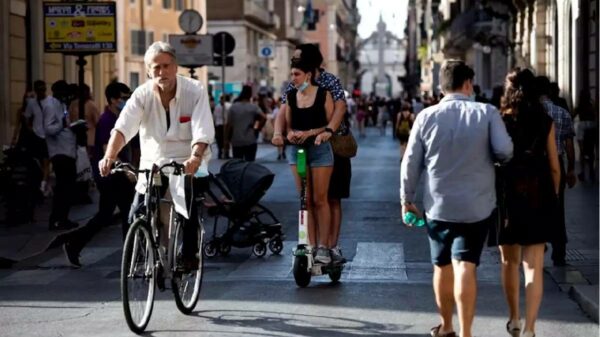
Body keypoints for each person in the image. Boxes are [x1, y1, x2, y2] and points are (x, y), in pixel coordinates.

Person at [400, 60, 513, 337]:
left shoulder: (426, 116)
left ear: (441, 86)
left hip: (438, 206)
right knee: (466, 265)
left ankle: (447, 325)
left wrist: (407, 198)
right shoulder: (487, 112)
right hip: (477, 204)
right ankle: (466, 332)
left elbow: (410, 162)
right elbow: (505, 151)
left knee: (441, 266)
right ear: (467, 84)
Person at [94, 41, 214, 269]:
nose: (162, 72)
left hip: (187, 160)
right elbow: (123, 127)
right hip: (154, 162)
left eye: (166, 66)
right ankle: (149, 252)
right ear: (148, 70)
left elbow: (202, 129)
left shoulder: (195, 90)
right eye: (156, 67)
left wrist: (196, 157)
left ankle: (189, 253)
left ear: (175, 66)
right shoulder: (141, 95)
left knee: (187, 205)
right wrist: (109, 156)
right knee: (136, 213)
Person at [497, 68, 561, 337]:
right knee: (534, 265)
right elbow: (554, 166)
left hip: (507, 194)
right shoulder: (545, 120)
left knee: (509, 262)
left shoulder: (500, 120)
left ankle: (514, 318)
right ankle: (531, 328)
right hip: (538, 194)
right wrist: (553, 197)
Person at [273, 43, 350, 264]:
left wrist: (328, 131)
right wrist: (281, 132)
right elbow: (283, 111)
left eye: (298, 59)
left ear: (310, 65)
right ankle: (314, 245)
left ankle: (331, 247)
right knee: (308, 199)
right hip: (303, 147)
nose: (294, 63)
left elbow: (340, 109)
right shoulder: (293, 86)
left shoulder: (329, 81)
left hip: (334, 144)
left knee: (330, 198)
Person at [63, 82, 136, 267]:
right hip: (110, 175)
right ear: (112, 99)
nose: (125, 101)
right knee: (128, 210)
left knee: (106, 214)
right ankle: (132, 254)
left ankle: (74, 244)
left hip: (116, 174)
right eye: (122, 98)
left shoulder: (120, 118)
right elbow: (107, 150)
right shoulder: (106, 120)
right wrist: (127, 170)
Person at [285, 57, 335, 264]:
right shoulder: (290, 96)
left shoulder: (324, 94)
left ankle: (324, 247)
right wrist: (288, 134)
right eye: (291, 75)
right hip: (297, 152)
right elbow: (288, 125)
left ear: (308, 75)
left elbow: (331, 123)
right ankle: (310, 245)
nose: (293, 78)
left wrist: (312, 132)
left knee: (320, 199)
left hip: (320, 150)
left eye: (296, 74)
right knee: (304, 200)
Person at [536, 76, 576, 266]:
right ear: (551, 92)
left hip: (536, 165)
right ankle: (559, 253)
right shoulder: (562, 113)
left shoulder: (532, 113)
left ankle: (536, 248)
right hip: (557, 163)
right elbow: (569, 144)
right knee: (557, 207)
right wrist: (571, 169)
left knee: (536, 206)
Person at [44, 80, 80, 231]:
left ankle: (63, 218)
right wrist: (63, 126)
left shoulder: (62, 105)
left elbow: (65, 122)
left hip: (68, 151)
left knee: (68, 188)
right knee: (63, 188)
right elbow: (48, 128)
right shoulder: (50, 105)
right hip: (59, 152)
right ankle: (56, 220)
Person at [226, 85, 266, 161]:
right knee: (249, 163)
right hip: (250, 139)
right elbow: (264, 117)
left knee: (237, 164)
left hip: (236, 140)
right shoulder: (253, 107)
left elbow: (229, 125)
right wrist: (258, 128)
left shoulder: (233, 107)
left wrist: (226, 140)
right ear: (250, 94)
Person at [573, 90, 597, 181]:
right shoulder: (592, 105)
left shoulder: (579, 106)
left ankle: (582, 171)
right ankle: (591, 170)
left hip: (582, 127)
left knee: (582, 151)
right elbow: (595, 115)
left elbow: (572, 115)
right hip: (592, 127)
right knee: (591, 150)